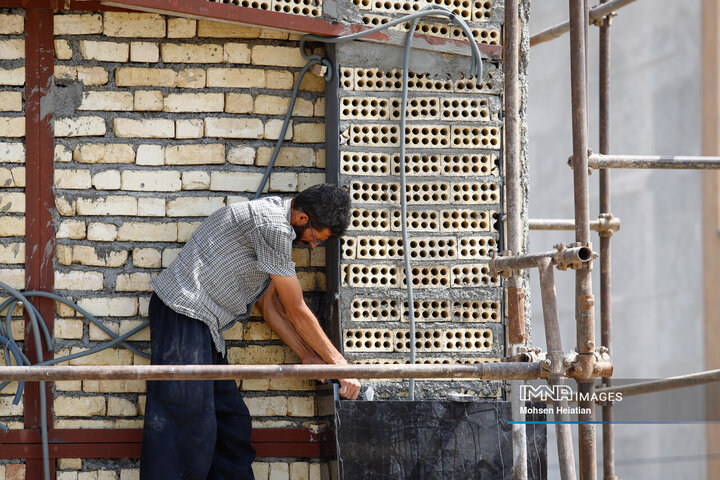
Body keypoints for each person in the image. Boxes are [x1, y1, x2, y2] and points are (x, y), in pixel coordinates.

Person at [140, 184, 361, 480]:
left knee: (231, 424)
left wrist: (307, 355)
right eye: (315, 238)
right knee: (186, 421)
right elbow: (296, 309)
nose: (313, 247)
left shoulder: (276, 232)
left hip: (204, 326)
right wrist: (341, 365)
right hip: (182, 311)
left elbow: (268, 306)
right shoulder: (272, 225)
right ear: (301, 218)